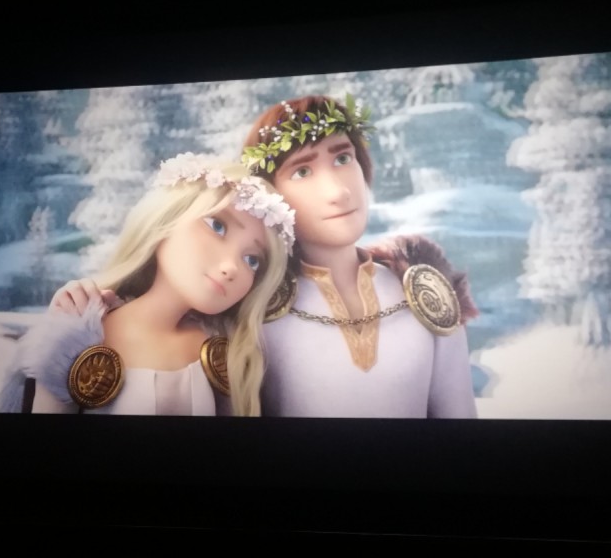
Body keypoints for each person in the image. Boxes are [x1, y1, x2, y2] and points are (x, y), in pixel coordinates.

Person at [50, 94, 478, 418]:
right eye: (303, 170)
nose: (338, 191)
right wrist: (80, 318)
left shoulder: (427, 296)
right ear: (269, 197)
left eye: (343, 157)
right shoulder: (248, 310)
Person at [0, 154, 294, 417]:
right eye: (217, 226)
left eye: (252, 260)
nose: (232, 267)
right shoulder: (79, 339)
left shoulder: (222, 346)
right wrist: (59, 336)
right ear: (168, 219)